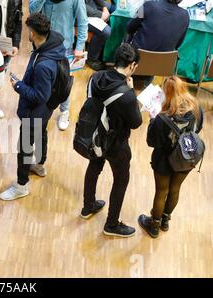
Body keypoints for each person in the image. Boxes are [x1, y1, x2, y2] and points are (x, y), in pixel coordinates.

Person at [0, 13, 64, 201]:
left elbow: (39, 95)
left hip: (36, 110)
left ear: (33, 33)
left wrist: (18, 85)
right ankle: (40, 165)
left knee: (24, 147)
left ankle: (21, 185)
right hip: (48, 106)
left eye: (29, 30)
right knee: (41, 133)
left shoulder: (44, 65)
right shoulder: (55, 43)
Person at [80, 43, 142, 237]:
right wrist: (132, 92)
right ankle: (112, 224)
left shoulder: (95, 77)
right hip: (116, 144)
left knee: (94, 167)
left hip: (94, 136)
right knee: (121, 180)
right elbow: (136, 123)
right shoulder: (126, 95)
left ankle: (88, 206)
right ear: (132, 65)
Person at [138, 76, 203, 238]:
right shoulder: (196, 107)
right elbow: (198, 128)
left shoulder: (161, 118)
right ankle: (165, 221)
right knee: (175, 189)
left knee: (161, 192)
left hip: (164, 160)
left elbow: (151, 141)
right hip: (187, 156)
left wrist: (152, 119)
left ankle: (154, 225)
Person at [29, 0, 88, 131]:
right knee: (40, 77)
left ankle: (64, 111)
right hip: (42, 44)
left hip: (64, 47)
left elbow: (83, 22)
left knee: (64, 81)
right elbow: (32, 11)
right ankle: (40, 107)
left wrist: (79, 46)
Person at [85, 0, 114, 71]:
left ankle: (108, 54)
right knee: (105, 31)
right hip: (79, 13)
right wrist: (101, 15)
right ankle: (92, 58)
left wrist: (105, 8)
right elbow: (80, 6)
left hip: (91, 4)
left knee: (115, 9)